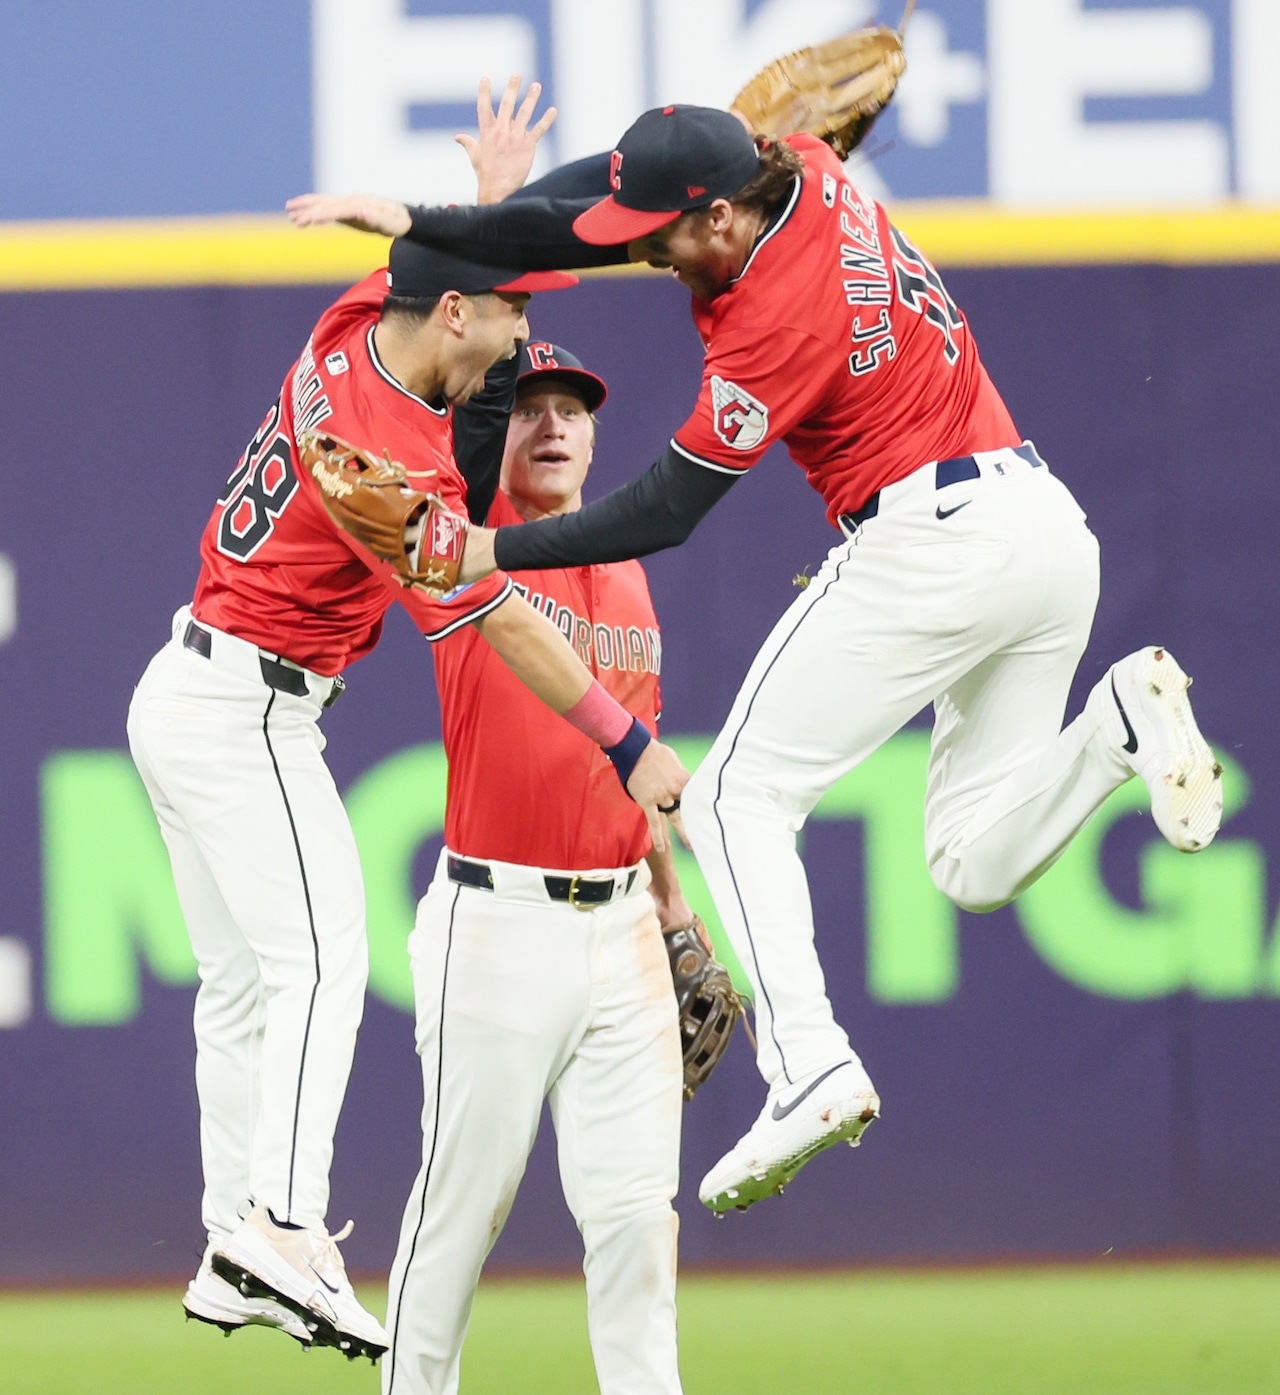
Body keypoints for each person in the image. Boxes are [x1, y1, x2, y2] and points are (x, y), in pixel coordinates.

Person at [288, 106, 1222, 1222]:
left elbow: (668, 507)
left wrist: (487, 545)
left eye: (671, 231)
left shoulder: (772, 319)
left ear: (724, 214)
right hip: (1044, 532)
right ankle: (1118, 720)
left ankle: (810, 1069)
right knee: (971, 865)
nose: (650, 247)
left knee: (729, 797)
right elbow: (598, 207)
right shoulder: (807, 168)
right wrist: (446, 222)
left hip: (935, 534)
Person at [126, 236, 688, 1362]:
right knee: (322, 965)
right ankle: (282, 1229)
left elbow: (431, 264)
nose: (516, 353)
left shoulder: (350, 330)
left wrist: (484, 202)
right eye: (504, 331)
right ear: (448, 317)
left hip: (185, 684)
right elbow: (494, 614)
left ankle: (230, 1231)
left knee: (239, 986)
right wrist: (622, 738)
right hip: (250, 707)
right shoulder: (390, 463)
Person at [383, 341, 690, 1395]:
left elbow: (640, 772)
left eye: (570, 410)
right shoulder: (476, 538)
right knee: (459, 1217)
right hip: (498, 922)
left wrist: (676, 913)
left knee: (636, 1224)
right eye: (526, 409)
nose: (551, 426)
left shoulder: (626, 567)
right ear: (490, 431)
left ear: (597, 434)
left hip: (623, 935)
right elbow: (458, 426)